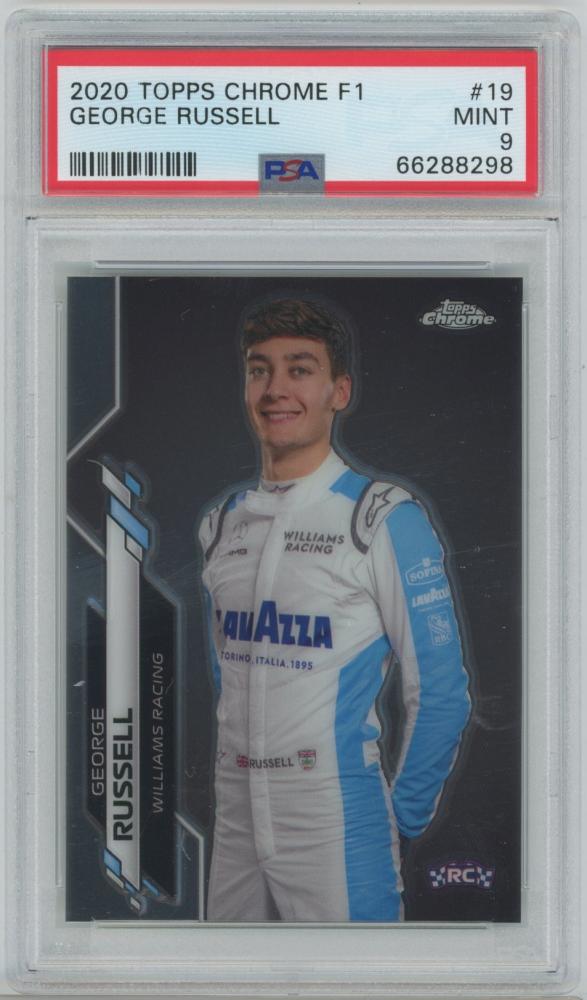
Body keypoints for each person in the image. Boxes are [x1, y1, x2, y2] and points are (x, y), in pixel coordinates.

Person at [198, 297, 471, 922]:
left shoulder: (381, 518)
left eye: (300, 369)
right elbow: (229, 673)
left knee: (353, 975)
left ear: (338, 391)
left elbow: (441, 691)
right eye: (260, 369)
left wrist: (401, 819)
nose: (276, 388)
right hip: (235, 817)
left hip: (334, 817)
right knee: (223, 974)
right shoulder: (222, 523)